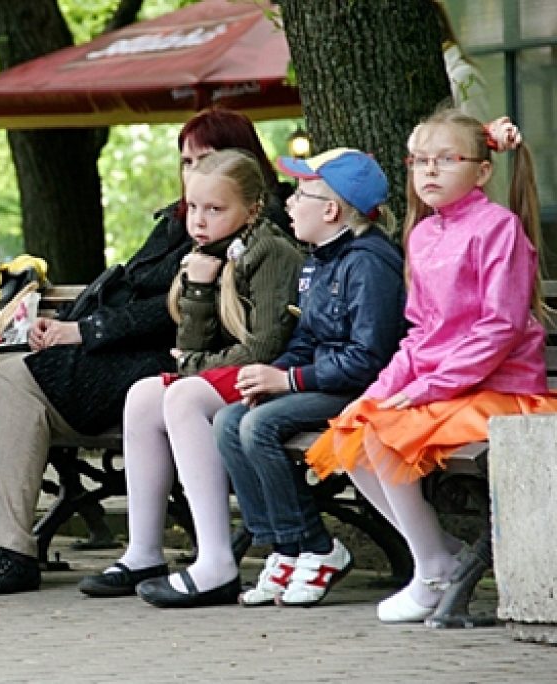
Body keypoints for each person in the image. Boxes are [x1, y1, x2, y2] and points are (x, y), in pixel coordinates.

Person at [0, 107, 291, 598]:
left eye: (207, 158)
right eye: (185, 161)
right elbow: (138, 286)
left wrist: (84, 333)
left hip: (159, 357)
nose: (194, 173)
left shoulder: (245, 229)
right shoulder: (186, 219)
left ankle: (10, 549)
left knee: (12, 381)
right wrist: (73, 326)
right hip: (139, 352)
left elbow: (169, 312)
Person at [306, 110, 557, 623]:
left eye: (447, 159)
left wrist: (429, 388)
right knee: (354, 429)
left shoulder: (498, 229)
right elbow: (421, 333)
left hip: (501, 388)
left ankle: (431, 570)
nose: (430, 172)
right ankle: (437, 556)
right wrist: (380, 389)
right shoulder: (422, 235)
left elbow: (499, 328)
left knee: (383, 436)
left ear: (481, 171)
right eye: (420, 161)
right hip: (446, 388)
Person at [77, 150, 301, 608]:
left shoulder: (270, 251)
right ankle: (143, 552)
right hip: (229, 370)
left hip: (273, 375)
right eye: (193, 207)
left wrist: (194, 367)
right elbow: (192, 340)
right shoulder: (206, 253)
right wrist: (198, 287)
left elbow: (263, 348)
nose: (198, 220)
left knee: (183, 397)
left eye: (214, 209)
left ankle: (216, 561)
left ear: (252, 208)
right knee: (142, 396)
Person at [213, 149, 407, 608]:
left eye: (301, 194)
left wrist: (291, 382)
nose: (290, 203)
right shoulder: (316, 258)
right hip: (323, 381)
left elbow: (368, 360)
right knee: (228, 419)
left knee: (258, 427)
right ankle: (283, 546)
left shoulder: (369, 263)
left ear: (331, 210)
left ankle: (318, 547)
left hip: (362, 391)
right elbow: (306, 338)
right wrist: (271, 374)